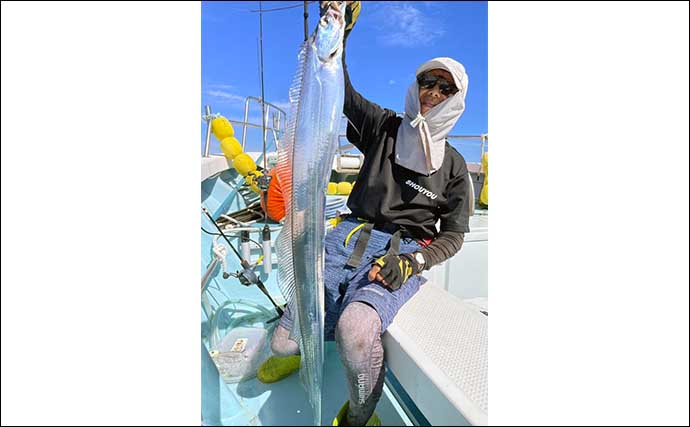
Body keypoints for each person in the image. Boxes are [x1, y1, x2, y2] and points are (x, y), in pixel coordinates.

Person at [258, 2, 472, 425]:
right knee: (284, 343)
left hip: (397, 254)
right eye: (427, 81)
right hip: (346, 237)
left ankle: (360, 416)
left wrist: (412, 262)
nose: (432, 92)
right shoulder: (385, 127)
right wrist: (342, 31)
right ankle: (298, 346)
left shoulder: (454, 166)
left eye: (445, 88)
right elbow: (341, 93)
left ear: (456, 99)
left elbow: (454, 235)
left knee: (355, 332)